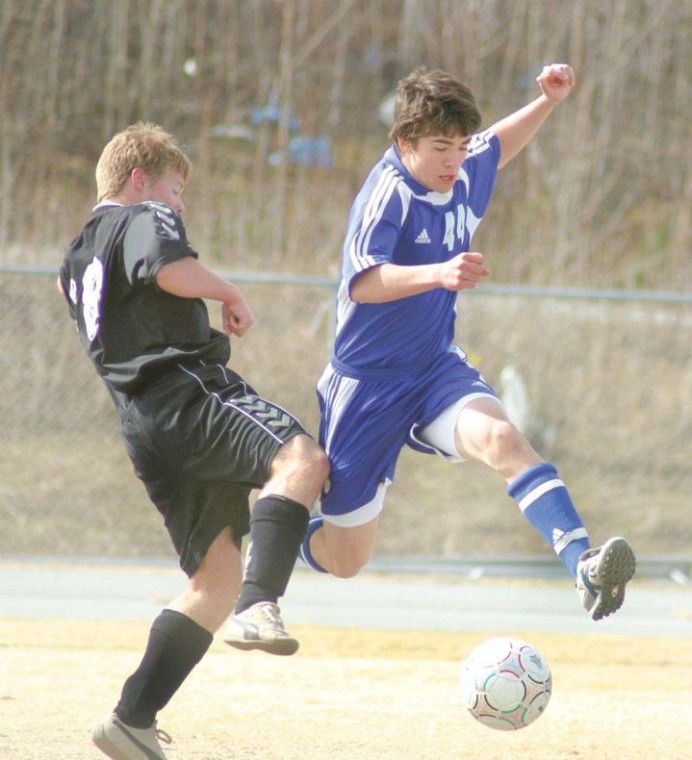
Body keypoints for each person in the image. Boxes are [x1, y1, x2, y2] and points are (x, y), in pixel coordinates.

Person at [299, 64, 636, 621]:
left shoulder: (459, 166)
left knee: (503, 438)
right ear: (404, 141)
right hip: (366, 384)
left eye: (459, 146)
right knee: (345, 559)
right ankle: (274, 535)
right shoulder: (387, 196)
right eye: (440, 148)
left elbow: (496, 146)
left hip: (434, 369)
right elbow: (362, 283)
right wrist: (440, 272)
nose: (454, 161)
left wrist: (547, 102)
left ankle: (584, 565)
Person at [59, 122, 329, 759]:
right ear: (140, 179)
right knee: (301, 459)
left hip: (141, 423)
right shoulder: (143, 213)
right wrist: (228, 291)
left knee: (214, 578)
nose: (178, 205)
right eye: (177, 190)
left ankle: (132, 718)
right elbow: (168, 268)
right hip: (185, 389)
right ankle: (264, 605)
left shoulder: (75, 256)